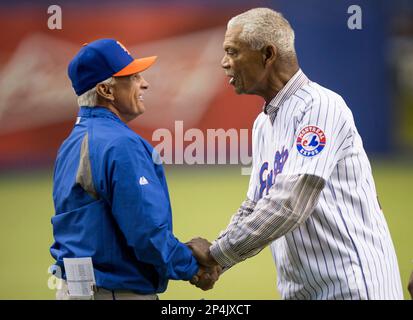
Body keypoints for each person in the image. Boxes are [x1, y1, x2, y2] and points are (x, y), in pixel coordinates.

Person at [187, 8, 404, 300]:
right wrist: (218, 262)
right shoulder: (264, 123)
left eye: (232, 51)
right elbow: (255, 206)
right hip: (301, 290)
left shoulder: (320, 106)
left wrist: (218, 255)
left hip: (353, 285)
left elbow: (290, 203)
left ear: (267, 55)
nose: (224, 63)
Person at [50, 39, 218, 300]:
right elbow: (146, 234)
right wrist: (192, 266)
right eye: (132, 76)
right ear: (106, 90)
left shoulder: (70, 142)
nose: (145, 83)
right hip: (114, 292)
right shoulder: (120, 144)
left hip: (74, 289)